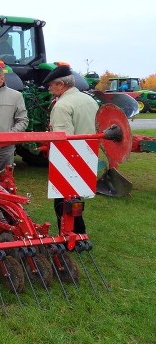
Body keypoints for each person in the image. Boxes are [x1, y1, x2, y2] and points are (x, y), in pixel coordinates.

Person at [44, 65, 98, 234]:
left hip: (69, 157)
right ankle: (78, 232)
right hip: (88, 152)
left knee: (63, 200)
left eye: (51, 84)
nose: (49, 88)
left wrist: (48, 145)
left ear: (61, 84)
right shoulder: (89, 100)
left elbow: (63, 138)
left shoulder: (62, 105)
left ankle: (71, 235)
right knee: (76, 197)